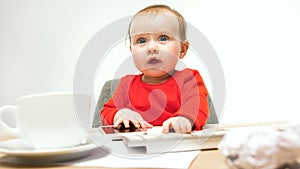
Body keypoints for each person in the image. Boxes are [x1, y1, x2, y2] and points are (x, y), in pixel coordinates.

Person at [101, 4, 209, 133]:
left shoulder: (189, 79)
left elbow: (196, 106)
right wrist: (119, 114)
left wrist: (184, 119)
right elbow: (106, 112)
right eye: (141, 41)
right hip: (137, 150)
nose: (151, 48)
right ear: (132, 51)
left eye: (163, 38)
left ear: (183, 49)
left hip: (179, 144)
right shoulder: (126, 84)